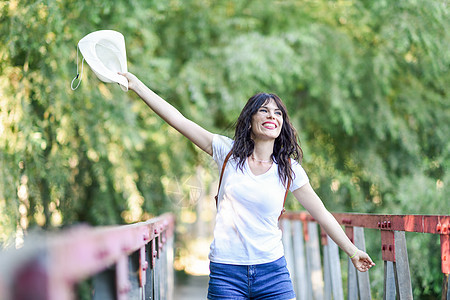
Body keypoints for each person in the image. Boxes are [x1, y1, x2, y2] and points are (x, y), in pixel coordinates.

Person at [119, 72, 375, 300]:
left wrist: (352, 251)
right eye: (264, 110)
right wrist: (137, 85)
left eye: (277, 113)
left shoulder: (289, 170)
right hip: (227, 273)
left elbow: (322, 215)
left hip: (273, 272)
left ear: (282, 124)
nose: (271, 116)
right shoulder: (227, 153)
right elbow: (179, 120)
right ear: (250, 120)